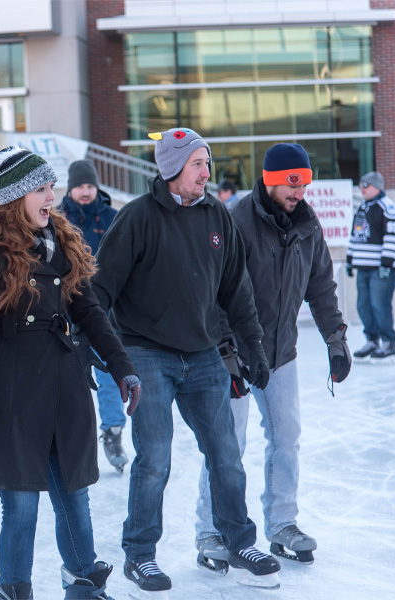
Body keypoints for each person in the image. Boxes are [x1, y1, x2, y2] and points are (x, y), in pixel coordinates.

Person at [91, 128, 281, 595]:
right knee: (154, 458)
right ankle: (140, 555)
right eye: (198, 163)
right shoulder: (137, 218)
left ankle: (239, 542)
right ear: (172, 168)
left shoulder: (216, 215)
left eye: (207, 162)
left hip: (204, 353)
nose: (206, 172)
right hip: (146, 351)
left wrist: (252, 345)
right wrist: (88, 341)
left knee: (226, 455)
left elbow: (236, 290)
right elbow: (99, 287)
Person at [0, 145, 142, 600]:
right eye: (41, 187)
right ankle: (13, 591)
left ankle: (82, 583)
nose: (51, 196)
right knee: (20, 504)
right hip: (13, 395)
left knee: (74, 493)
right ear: (16, 195)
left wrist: (122, 368)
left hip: (64, 385)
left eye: (51, 186)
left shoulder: (61, 241)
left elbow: (91, 312)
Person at [194, 143, 352, 572]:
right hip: (236, 354)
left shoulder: (307, 223)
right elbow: (214, 293)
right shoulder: (235, 221)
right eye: (290, 185)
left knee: (287, 437)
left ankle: (282, 523)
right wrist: (226, 350)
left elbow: (320, 286)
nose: (298, 193)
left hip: (281, 353)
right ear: (270, 181)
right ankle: (210, 530)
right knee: (228, 445)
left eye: (303, 185)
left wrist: (335, 338)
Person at [58, 159, 128, 473]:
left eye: (90, 186)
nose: (85, 192)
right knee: (68, 379)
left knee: (108, 373)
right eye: (79, 186)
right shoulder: (55, 220)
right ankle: (69, 440)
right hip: (64, 310)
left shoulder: (113, 218)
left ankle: (113, 432)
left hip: (104, 311)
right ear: (70, 188)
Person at [346, 171, 395, 363]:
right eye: (361, 185)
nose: (362, 188)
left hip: (382, 268)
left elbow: (393, 238)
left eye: (366, 185)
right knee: (364, 305)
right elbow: (356, 236)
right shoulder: (362, 207)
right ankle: (372, 340)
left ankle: (389, 343)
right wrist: (350, 259)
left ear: (377, 187)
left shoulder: (389, 207)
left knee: (380, 305)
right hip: (363, 267)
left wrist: (386, 264)